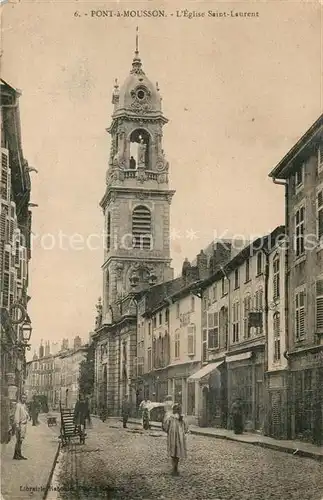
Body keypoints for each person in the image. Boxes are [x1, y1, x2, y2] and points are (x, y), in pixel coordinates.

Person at [163, 403, 189, 476]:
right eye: (177, 409)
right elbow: (186, 427)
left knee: (174, 451)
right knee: (176, 451)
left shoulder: (173, 417)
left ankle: (175, 467)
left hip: (174, 436)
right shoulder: (176, 417)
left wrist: (168, 430)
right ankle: (175, 467)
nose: (177, 410)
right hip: (178, 437)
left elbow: (166, 426)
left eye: (178, 409)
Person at [13, 394, 29, 460]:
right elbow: (17, 416)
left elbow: (25, 414)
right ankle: (16, 455)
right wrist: (17, 425)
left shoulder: (24, 406)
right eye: (23, 398)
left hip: (24, 425)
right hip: (20, 425)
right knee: (18, 440)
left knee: (21, 440)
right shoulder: (18, 405)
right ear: (20, 398)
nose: (24, 399)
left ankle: (19, 454)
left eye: (25, 398)